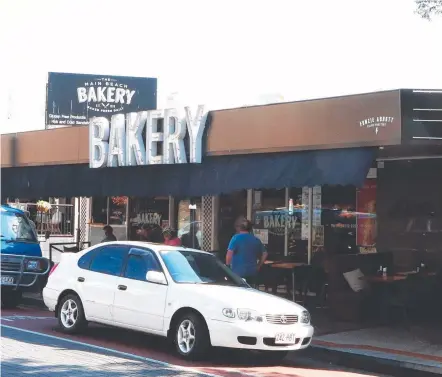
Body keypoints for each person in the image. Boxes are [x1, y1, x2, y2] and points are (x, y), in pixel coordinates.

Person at [226, 219, 268, 287]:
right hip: (252, 271)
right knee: (251, 291)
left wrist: (227, 267)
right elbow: (265, 253)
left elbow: (229, 253)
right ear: (250, 229)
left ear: (240, 228)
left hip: (237, 272)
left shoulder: (235, 238)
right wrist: (259, 265)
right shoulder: (256, 239)